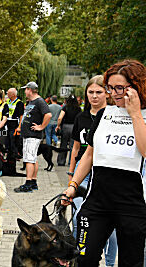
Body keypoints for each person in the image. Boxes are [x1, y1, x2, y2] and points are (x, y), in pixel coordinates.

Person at [63, 59, 146, 266]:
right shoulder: (104, 114)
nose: (115, 93)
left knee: (131, 261)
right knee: (84, 257)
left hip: (133, 204)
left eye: (121, 88)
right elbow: (89, 155)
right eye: (111, 88)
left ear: (138, 87)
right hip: (98, 200)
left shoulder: (143, 116)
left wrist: (135, 114)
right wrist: (73, 186)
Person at [67, 75, 117, 267]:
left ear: (106, 93)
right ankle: (78, 257)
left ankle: (110, 263)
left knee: (110, 228)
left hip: (104, 174)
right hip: (83, 174)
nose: (94, 96)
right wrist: (72, 176)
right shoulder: (82, 117)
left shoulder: (113, 116)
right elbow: (78, 149)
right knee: (80, 216)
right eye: (91, 92)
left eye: (99, 92)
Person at [14, 82, 51, 193]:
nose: (25, 92)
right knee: (33, 158)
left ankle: (28, 183)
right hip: (28, 134)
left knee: (29, 159)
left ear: (30, 90)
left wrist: (41, 127)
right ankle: (33, 181)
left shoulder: (39, 101)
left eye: (26, 89)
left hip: (33, 135)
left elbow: (48, 114)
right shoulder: (31, 102)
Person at [56, 95, 82, 166]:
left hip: (65, 127)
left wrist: (58, 126)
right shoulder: (78, 108)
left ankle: (61, 161)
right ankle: (71, 162)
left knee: (63, 144)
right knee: (73, 146)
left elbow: (60, 118)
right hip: (74, 127)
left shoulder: (65, 107)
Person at [6, 88, 24, 159]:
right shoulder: (7, 102)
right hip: (7, 124)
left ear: (13, 94)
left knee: (13, 141)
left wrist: (19, 126)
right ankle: (9, 156)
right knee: (7, 142)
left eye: (8, 93)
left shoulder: (19, 103)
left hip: (14, 124)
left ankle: (15, 156)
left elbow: (21, 116)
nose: (7, 95)